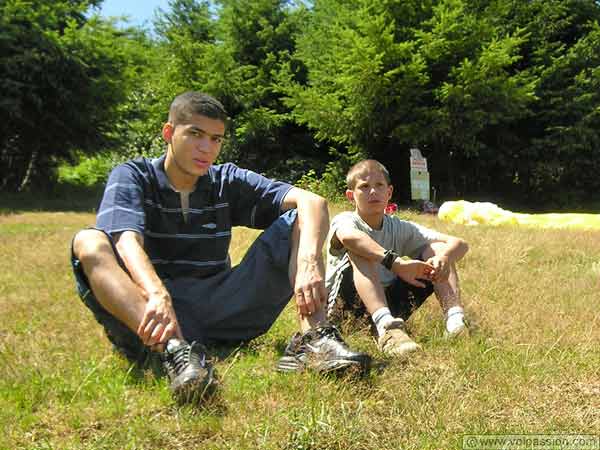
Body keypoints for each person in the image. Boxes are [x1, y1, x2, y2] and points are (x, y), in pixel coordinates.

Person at [70, 92, 370, 403]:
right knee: (88, 241)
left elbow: (313, 201)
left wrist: (309, 262)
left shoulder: (225, 180)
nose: (206, 148)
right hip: (151, 316)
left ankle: (314, 339)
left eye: (216, 139)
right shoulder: (133, 175)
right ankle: (176, 353)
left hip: (221, 306)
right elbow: (125, 239)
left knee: (301, 219)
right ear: (169, 133)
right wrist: (156, 293)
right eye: (195, 134)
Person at [325, 160, 469, 357]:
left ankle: (455, 321)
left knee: (436, 249)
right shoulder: (346, 220)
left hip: (388, 303)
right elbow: (350, 238)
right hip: (345, 309)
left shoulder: (399, 227)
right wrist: (397, 264)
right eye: (364, 187)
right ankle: (387, 329)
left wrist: (443, 257)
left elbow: (459, 243)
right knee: (361, 249)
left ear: (389, 192)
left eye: (379, 186)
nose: (373, 192)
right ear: (351, 196)